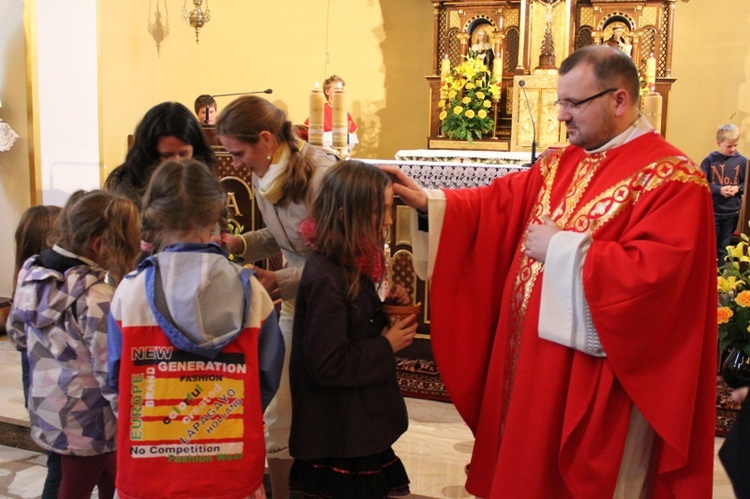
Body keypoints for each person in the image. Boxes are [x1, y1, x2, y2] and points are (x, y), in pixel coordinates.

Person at [382, 45, 716, 497]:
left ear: (619, 100)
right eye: (561, 103)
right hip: (532, 365)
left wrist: (563, 249)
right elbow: (495, 205)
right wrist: (432, 202)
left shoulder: (672, 178)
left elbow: (658, 280)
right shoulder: (561, 161)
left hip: (595, 381)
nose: (561, 115)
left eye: (573, 103)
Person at [106, 159, 284, 499]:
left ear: (154, 215)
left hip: (149, 473)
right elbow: (266, 380)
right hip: (229, 469)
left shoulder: (130, 292)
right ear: (216, 211)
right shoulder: (254, 295)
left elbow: (116, 379)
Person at [215, 95, 339, 499]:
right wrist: (239, 244)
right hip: (294, 302)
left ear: (266, 139)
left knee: (331, 409)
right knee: (279, 413)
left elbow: (341, 261)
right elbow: (284, 237)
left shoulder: (323, 176)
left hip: (334, 307)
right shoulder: (264, 171)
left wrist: (279, 280)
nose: (235, 163)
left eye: (239, 152)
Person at [288, 160, 415, 498]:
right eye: (382, 211)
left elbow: (352, 323)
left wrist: (383, 305)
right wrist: (385, 345)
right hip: (339, 432)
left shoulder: (349, 262)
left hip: (354, 425)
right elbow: (327, 362)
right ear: (348, 213)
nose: (389, 221)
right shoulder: (327, 275)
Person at [6, 190, 141, 499]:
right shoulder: (97, 299)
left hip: (50, 408)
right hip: (89, 419)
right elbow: (111, 371)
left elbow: (16, 333)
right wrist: (133, 419)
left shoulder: (31, 273)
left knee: (111, 475)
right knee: (73, 490)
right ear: (98, 246)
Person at [9, 204, 62, 499]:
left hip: (44, 399)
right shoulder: (44, 287)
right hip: (55, 402)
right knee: (59, 473)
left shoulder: (27, 281)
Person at [104, 101, 217, 210]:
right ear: (150, 153)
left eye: (184, 154)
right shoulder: (125, 185)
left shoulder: (202, 178)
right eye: (167, 155)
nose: (177, 162)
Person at [700, 123, 747, 264]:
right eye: (729, 146)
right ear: (719, 143)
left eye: (735, 145)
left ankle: (720, 276)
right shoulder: (709, 161)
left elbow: (747, 184)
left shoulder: (743, 162)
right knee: (710, 245)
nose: (733, 149)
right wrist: (719, 190)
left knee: (724, 247)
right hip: (713, 211)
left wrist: (738, 188)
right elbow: (700, 184)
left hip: (732, 212)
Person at [301, 74, 359, 152]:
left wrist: (346, 133)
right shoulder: (319, 111)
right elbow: (309, 137)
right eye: (336, 89)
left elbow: (352, 140)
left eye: (341, 89)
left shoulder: (344, 113)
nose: (340, 92)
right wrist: (338, 134)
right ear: (327, 91)